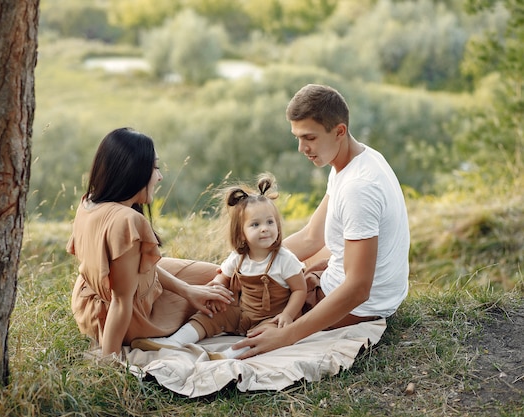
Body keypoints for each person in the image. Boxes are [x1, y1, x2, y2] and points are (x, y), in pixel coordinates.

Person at [232, 84, 410, 359]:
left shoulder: (358, 188)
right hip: (357, 289)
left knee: (235, 304)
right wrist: (243, 262)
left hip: (356, 306)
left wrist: (286, 336)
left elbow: (358, 289)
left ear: (339, 131)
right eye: (297, 138)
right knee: (234, 277)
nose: (302, 148)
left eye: (310, 138)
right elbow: (311, 238)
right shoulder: (354, 160)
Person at [67, 127, 234, 358]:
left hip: (90, 303)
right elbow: (120, 301)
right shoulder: (127, 221)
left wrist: (188, 291)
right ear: (134, 172)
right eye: (154, 168)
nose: (159, 176)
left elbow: (136, 268)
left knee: (222, 278)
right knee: (233, 288)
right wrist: (109, 363)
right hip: (121, 316)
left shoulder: (89, 202)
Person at [131, 173, 307, 359]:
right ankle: (174, 342)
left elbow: (300, 290)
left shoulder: (284, 259)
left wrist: (288, 315)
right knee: (210, 315)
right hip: (243, 311)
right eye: (255, 224)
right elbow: (223, 275)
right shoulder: (239, 257)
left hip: (272, 317)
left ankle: (230, 354)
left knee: (265, 334)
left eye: (270, 222)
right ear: (241, 234)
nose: (265, 228)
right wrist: (216, 286)